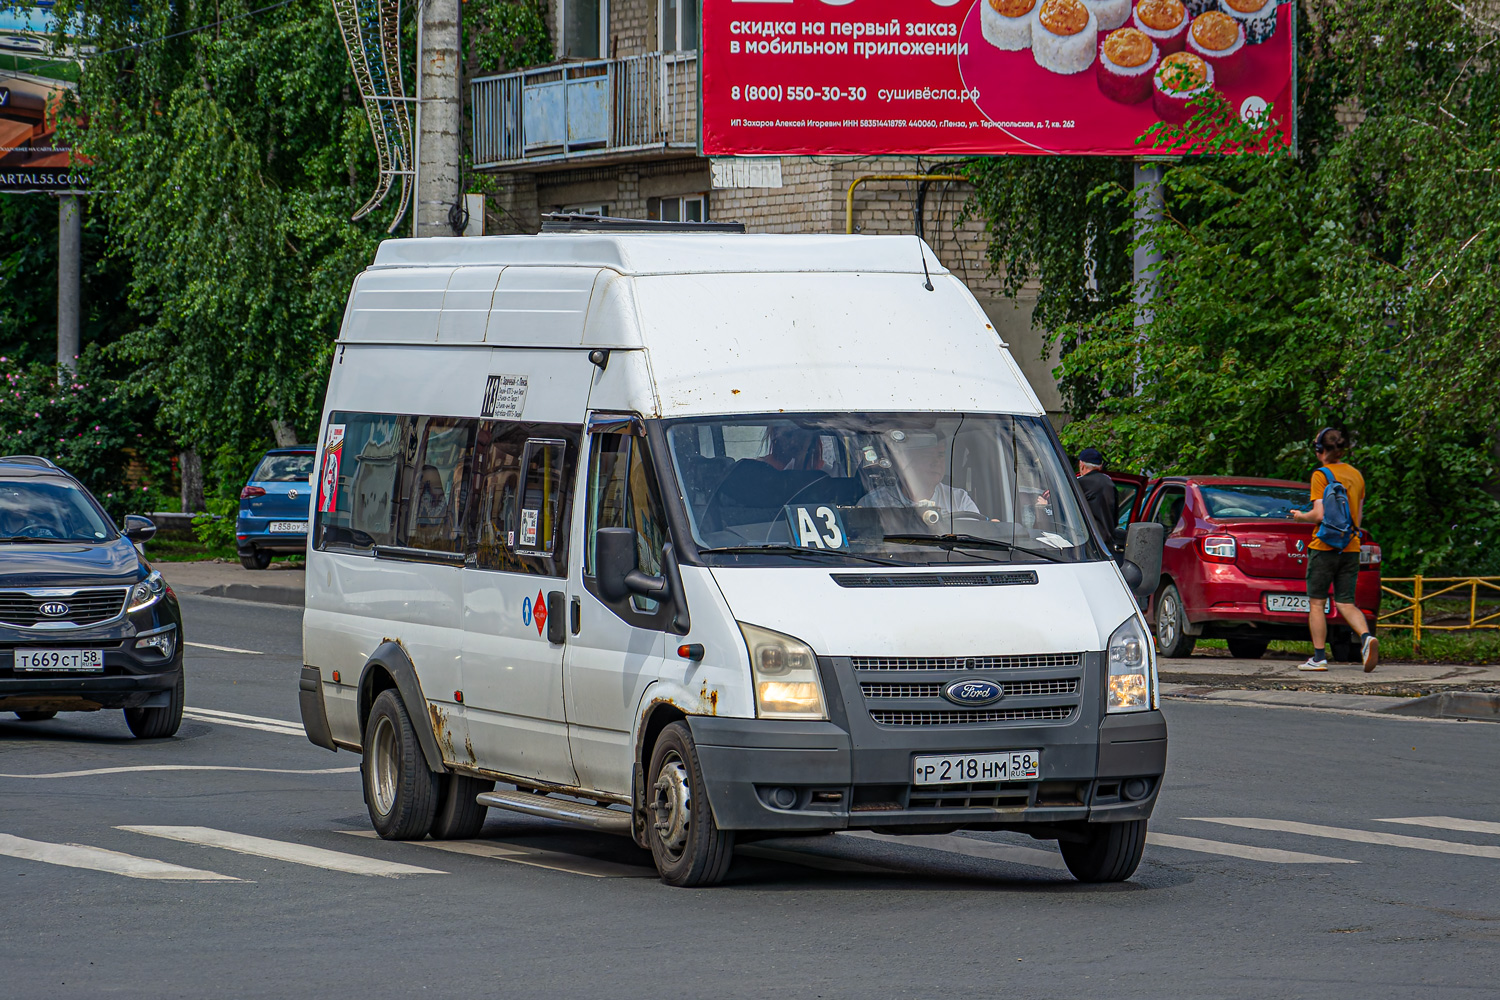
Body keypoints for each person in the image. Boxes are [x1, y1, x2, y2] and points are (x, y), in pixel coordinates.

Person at [1290, 427, 1378, 672]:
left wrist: (1300, 516)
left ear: (1320, 450)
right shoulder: (1356, 475)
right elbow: (1357, 518)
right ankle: (1365, 638)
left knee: (1317, 603)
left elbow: (1318, 514)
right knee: (1346, 602)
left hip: (1324, 546)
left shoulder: (1321, 475)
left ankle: (1319, 658)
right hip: (1350, 546)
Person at [857, 429, 981, 515]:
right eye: (928, 455)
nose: (936, 462)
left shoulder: (959, 500)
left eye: (940, 455)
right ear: (909, 459)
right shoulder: (873, 503)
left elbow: (976, 536)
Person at [1075, 447, 1118, 544]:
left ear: (1081, 465)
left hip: (1086, 542)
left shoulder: (1079, 484)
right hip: (1106, 544)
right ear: (1100, 466)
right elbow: (1114, 519)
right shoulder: (1110, 484)